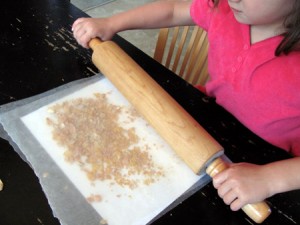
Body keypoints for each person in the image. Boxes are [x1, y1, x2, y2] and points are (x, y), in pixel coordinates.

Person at [72, 0, 300, 212]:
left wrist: (270, 179)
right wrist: (112, 23)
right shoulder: (223, 9)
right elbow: (173, 10)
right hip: (202, 122)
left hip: (271, 168)